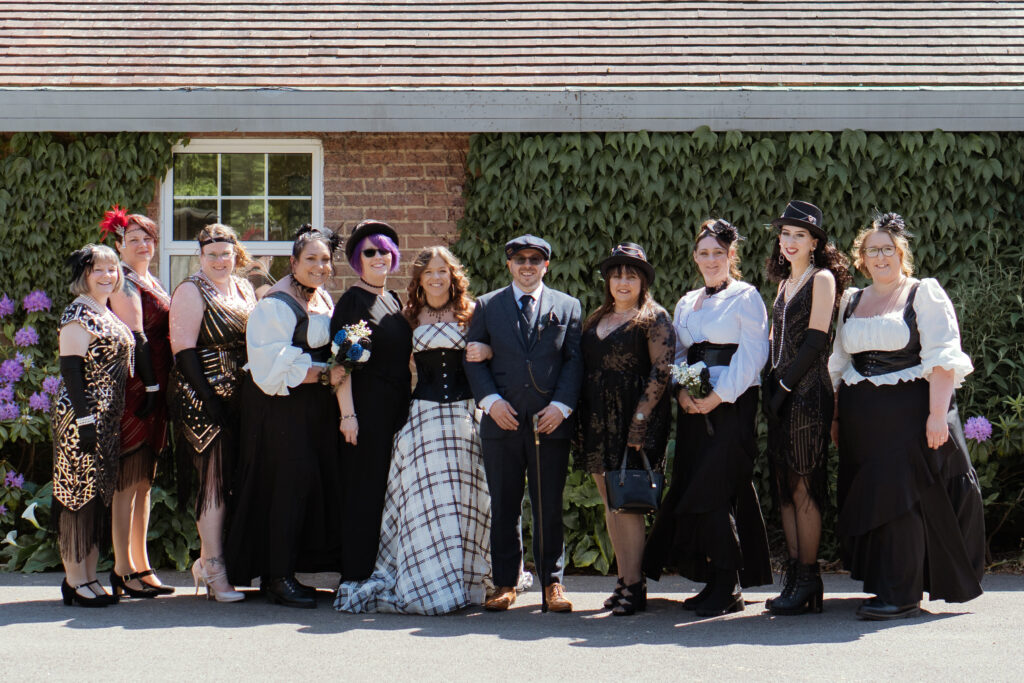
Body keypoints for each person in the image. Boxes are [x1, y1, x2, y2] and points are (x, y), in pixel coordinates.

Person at [829, 212, 984, 620]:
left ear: (901, 254)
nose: (880, 257)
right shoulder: (852, 300)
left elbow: (943, 358)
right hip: (862, 421)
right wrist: (835, 417)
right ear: (861, 258)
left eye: (887, 249)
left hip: (909, 416)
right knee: (875, 500)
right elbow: (839, 362)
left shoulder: (923, 294)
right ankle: (886, 585)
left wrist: (937, 416)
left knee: (903, 499)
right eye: (871, 250)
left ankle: (903, 595)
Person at [336, 246, 494, 614]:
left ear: (453, 276)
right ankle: (427, 578)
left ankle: (465, 578)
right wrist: (348, 387)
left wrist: (485, 351)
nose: (436, 278)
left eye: (443, 271)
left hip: (462, 417)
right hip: (422, 417)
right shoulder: (406, 316)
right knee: (425, 502)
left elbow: (494, 354)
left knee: (465, 499)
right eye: (429, 273)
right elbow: (358, 356)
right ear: (419, 280)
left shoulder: (471, 313)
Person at [643, 221, 774, 616]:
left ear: (732, 257)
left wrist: (717, 397)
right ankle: (717, 579)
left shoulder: (746, 297)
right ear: (695, 257)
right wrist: (683, 391)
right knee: (696, 488)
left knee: (715, 490)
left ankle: (729, 585)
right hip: (693, 408)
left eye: (719, 253)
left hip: (732, 405)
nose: (711, 260)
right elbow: (680, 355)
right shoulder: (686, 302)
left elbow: (753, 357)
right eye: (704, 253)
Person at [226, 226, 346, 608]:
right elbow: (268, 365)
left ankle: (292, 570)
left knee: (307, 484)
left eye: (325, 259)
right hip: (277, 407)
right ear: (293, 263)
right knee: (284, 486)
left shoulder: (321, 297)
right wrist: (325, 373)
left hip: (311, 407)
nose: (319, 266)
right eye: (311, 259)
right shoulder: (275, 304)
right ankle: (276, 577)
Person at [464, 234, 583, 613]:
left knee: (548, 502)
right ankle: (504, 583)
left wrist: (562, 406)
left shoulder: (568, 306)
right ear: (509, 265)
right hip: (502, 423)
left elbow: (574, 361)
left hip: (549, 423)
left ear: (546, 265)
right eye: (520, 259)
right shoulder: (486, 306)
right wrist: (491, 402)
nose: (527, 265)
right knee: (504, 505)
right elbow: (473, 358)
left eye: (535, 259)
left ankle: (553, 583)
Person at [575, 242, 674, 616]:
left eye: (631, 274)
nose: (622, 280)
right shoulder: (595, 318)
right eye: (616, 274)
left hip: (636, 420)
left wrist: (640, 421)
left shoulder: (654, 318)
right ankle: (624, 579)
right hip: (599, 419)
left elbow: (661, 372)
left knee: (629, 505)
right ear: (607, 280)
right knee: (610, 503)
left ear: (642, 281)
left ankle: (635, 585)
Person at [763, 200, 850, 616]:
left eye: (800, 234)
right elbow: (775, 342)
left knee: (804, 484)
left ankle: (810, 575)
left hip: (809, 392)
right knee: (784, 486)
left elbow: (816, 340)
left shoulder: (823, 279)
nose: (790, 241)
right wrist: (770, 382)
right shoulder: (782, 285)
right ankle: (796, 577)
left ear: (815, 242)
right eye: (785, 233)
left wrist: (782, 384)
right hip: (783, 390)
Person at [167, 223, 256, 602]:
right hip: (201, 394)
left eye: (226, 254)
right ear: (200, 257)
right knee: (214, 481)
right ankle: (215, 569)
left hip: (241, 394)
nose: (220, 260)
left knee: (234, 478)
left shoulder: (244, 287)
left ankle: (210, 562)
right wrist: (209, 398)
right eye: (212, 255)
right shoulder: (191, 289)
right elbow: (183, 349)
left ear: (236, 255)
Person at [51, 244, 135, 606]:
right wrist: (85, 420)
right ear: (83, 275)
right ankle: (75, 579)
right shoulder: (77, 313)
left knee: (95, 496)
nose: (106, 276)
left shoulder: (105, 311)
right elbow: (70, 370)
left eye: (112, 269)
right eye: (97, 270)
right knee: (76, 496)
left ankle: (87, 576)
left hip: (107, 419)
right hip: (81, 417)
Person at [332, 220, 413, 582]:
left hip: (397, 409)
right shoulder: (354, 302)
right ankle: (357, 575)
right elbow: (344, 363)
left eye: (385, 251)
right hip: (367, 409)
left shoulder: (393, 300)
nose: (379, 256)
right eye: (370, 252)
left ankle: (384, 568)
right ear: (357, 259)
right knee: (364, 492)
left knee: (389, 491)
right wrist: (348, 414)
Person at [101, 209, 174, 599]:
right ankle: (121, 568)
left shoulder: (153, 280)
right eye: (134, 239)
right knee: (127, 480)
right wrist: (148, 388)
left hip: (158, 386)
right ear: (119, 245)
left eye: (148, 238)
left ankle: (142, 564)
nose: (143, 244)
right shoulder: (125, 282)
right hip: (136, 387)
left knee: (145, 480)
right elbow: (138, 338)